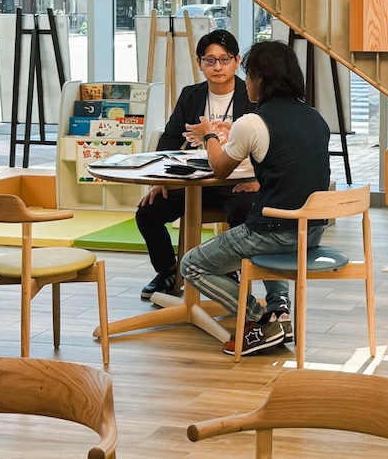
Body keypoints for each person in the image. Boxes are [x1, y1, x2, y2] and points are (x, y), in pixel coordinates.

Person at [181, 40, 330, 356]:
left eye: (248, 75)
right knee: (266, 241)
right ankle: (280, 311)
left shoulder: (252, 122)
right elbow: (294, 166)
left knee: (191, 265)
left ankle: (261, 320)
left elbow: (220, 169)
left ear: (261, 79)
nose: (245, 81)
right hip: (312, 230)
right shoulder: (315, 117)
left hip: (273, 232)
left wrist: (210, 135)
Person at [136, 29, 256, 302]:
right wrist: (159, 180)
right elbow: (170, 138)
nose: (217, 67)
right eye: (210, 60)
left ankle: (229, 271)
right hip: (194, 179)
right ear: (200, 63)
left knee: (244, 210)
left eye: (224, 59)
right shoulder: (191, 95)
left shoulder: (250, 94)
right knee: (148, 212)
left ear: (237, 61)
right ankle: (168, 271)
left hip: (235, 180)